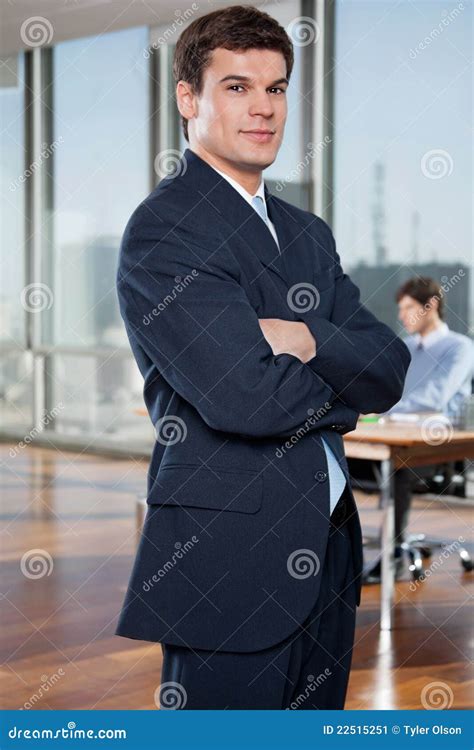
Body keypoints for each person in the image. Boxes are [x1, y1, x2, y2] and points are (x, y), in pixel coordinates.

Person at [115, 5, 410, 709]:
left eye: (276, 88)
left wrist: (307, 340)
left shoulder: (307, 233)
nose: (264, 108)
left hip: (330, 544)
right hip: (227, 557)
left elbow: (391, 368)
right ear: (188, 99)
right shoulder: (166, 230)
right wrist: (346, 394)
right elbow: (246, 397)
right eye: (237, 87)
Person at [363, 276, 473, 584]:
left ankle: (394, 556)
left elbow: (434, 398)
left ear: (431, 306)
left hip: (433, 448)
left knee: (395, 469)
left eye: (408, 308)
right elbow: (386, 388)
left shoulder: (460, 348)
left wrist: (379, 409)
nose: (401, 316)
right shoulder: (406, 348)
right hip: (392, 435)